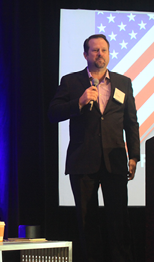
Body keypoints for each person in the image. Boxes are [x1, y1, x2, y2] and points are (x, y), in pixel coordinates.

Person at [48, 34, 140, 262]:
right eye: (95, 50)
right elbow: (53, 113)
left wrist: (134, 156)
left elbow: (131, 122)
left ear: (109, 54)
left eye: (104, 50)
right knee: (87, 222)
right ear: (85, 54)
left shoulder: (123, 83)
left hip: (115, 160)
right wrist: (78, 102)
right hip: (83, 162)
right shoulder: (71, 82)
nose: (100, 54)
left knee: (119, 221)